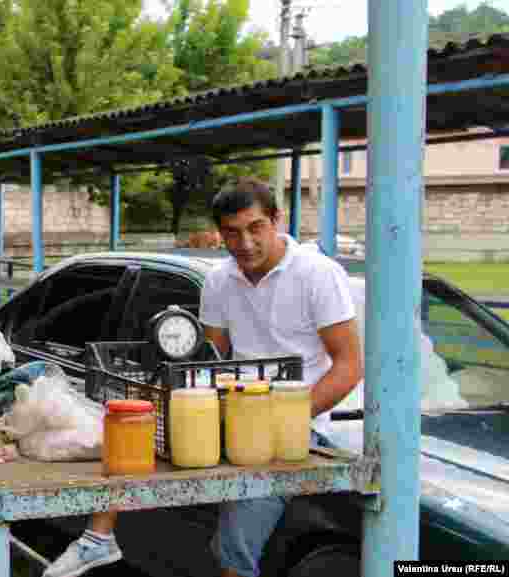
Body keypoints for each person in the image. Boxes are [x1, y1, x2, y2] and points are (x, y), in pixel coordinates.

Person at [42, 177, 362, 577]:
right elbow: (208, 364)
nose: (245, 243)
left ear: (276, 221)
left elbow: (349, 366)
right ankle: (98, 538)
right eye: (232, 232)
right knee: (136, 427)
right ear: (219, 233)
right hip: (232, 410)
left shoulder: (317, 274)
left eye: (255, 228)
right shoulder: (220, 280)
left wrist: (286, 419)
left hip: (297, 428)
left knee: (235, 547)